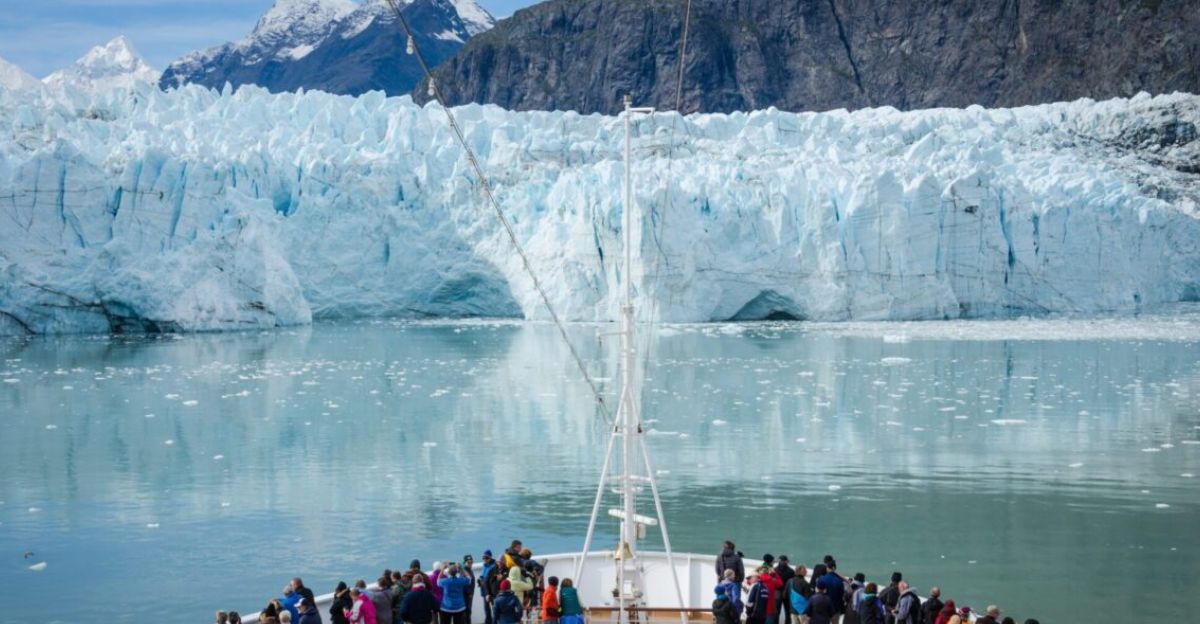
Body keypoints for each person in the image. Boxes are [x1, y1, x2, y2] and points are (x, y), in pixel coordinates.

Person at [480, 551, 499, 624]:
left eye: (486, 558)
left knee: (494, 607)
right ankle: (488, 621)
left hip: (492, 591)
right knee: (486, 608)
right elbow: (483, 576)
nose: (484, 559)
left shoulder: (494, 566)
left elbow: (492, 578)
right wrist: (480, 580)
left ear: (490, 557)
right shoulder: (484, 565)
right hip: (484, 590)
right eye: (483, 558)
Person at [461, 555, 476, 624]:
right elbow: (464, 584)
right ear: (465, 562)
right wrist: (469, 593)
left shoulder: (470, 570)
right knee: (466, 612)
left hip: (469, 595)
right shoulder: (464, 571)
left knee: (468, 611)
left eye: (471, 562)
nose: (470, 564)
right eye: (469, 562)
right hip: (466, 595)